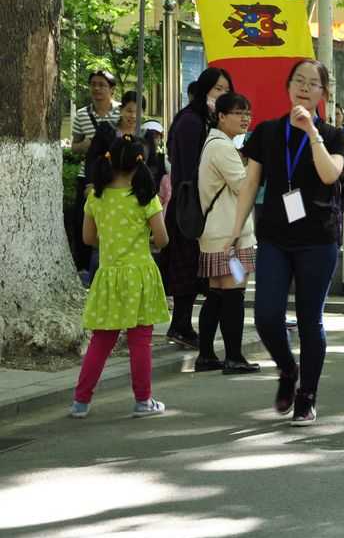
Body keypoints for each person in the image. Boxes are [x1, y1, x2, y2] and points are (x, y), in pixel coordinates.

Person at [227, 59, 344, 425]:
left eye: (313, 83)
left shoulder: (333, 135)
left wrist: (311, 132)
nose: (304, 87)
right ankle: (287, 369)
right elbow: (250, 183)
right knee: (266, 316)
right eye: (299, 80)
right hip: (275, 237)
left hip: (318, 238)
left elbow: (330, 174)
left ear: (323, 94)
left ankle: (307, 396)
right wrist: (236, 231)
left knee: (310, 320)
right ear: (288, 86)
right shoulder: (267, 132)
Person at [70, 134, 171, 419]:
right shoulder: (145, 198)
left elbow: (88, 238)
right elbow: (162, 239)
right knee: (141, 341)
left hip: (108, 275)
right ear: (140, 163)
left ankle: (81, 401)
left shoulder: (96, 198)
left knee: (101, 341)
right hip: (140, 275)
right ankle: (143, 401)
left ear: (110, 160)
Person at [164, 67, 232, 350]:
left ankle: (186, 326)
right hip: (190, 211)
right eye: (217, 89)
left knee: (201, 272)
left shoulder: (206, 122)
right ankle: (182, 326)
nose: (222, 95)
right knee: (191, 270)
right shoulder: (192, 122)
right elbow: (195, 170)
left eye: (227, 90)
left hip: (202, 210)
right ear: (204, 90)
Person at [195, 92, 259, 374]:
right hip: (231, 237)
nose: (245, 118)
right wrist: (255, 164)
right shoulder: (222, 147)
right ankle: (234, 356)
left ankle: (207, 355)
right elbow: (244, 185)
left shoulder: (214, 143)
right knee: (234, 294)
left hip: (216, 233)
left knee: (217, 295)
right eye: (238, 112)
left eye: (247, 112)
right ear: (221, 116)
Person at [70, 70, 121, 272]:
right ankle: (83, 268)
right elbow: (74, 147)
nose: (97, 88)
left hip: (115, 177)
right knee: (83, 221)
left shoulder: (121, 112)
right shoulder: (82, 115)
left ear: (112, 89)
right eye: (93, 84)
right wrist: (87, 145)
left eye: (102, 84)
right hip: (88, 176)